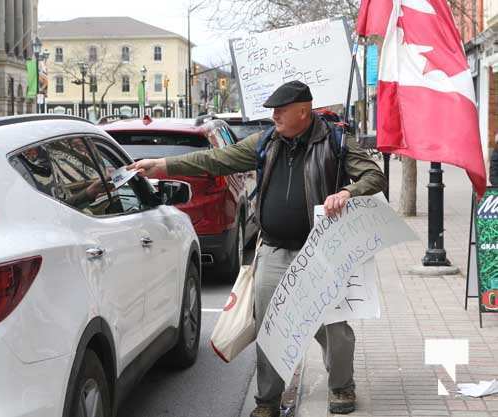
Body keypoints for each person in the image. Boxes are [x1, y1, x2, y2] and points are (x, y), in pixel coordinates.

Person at [127, 81, 386, 416]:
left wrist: (348, 193)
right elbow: (216, 159)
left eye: (280, 110)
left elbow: (374, 177)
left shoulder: (335, 141)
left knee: (332, 327)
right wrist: (162, 166)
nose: (273, 116)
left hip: (322, 249)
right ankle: (267, 400)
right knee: (271, 325)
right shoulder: (266, 142)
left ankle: (341, 386)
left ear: (303, 111)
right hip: (274, 250)